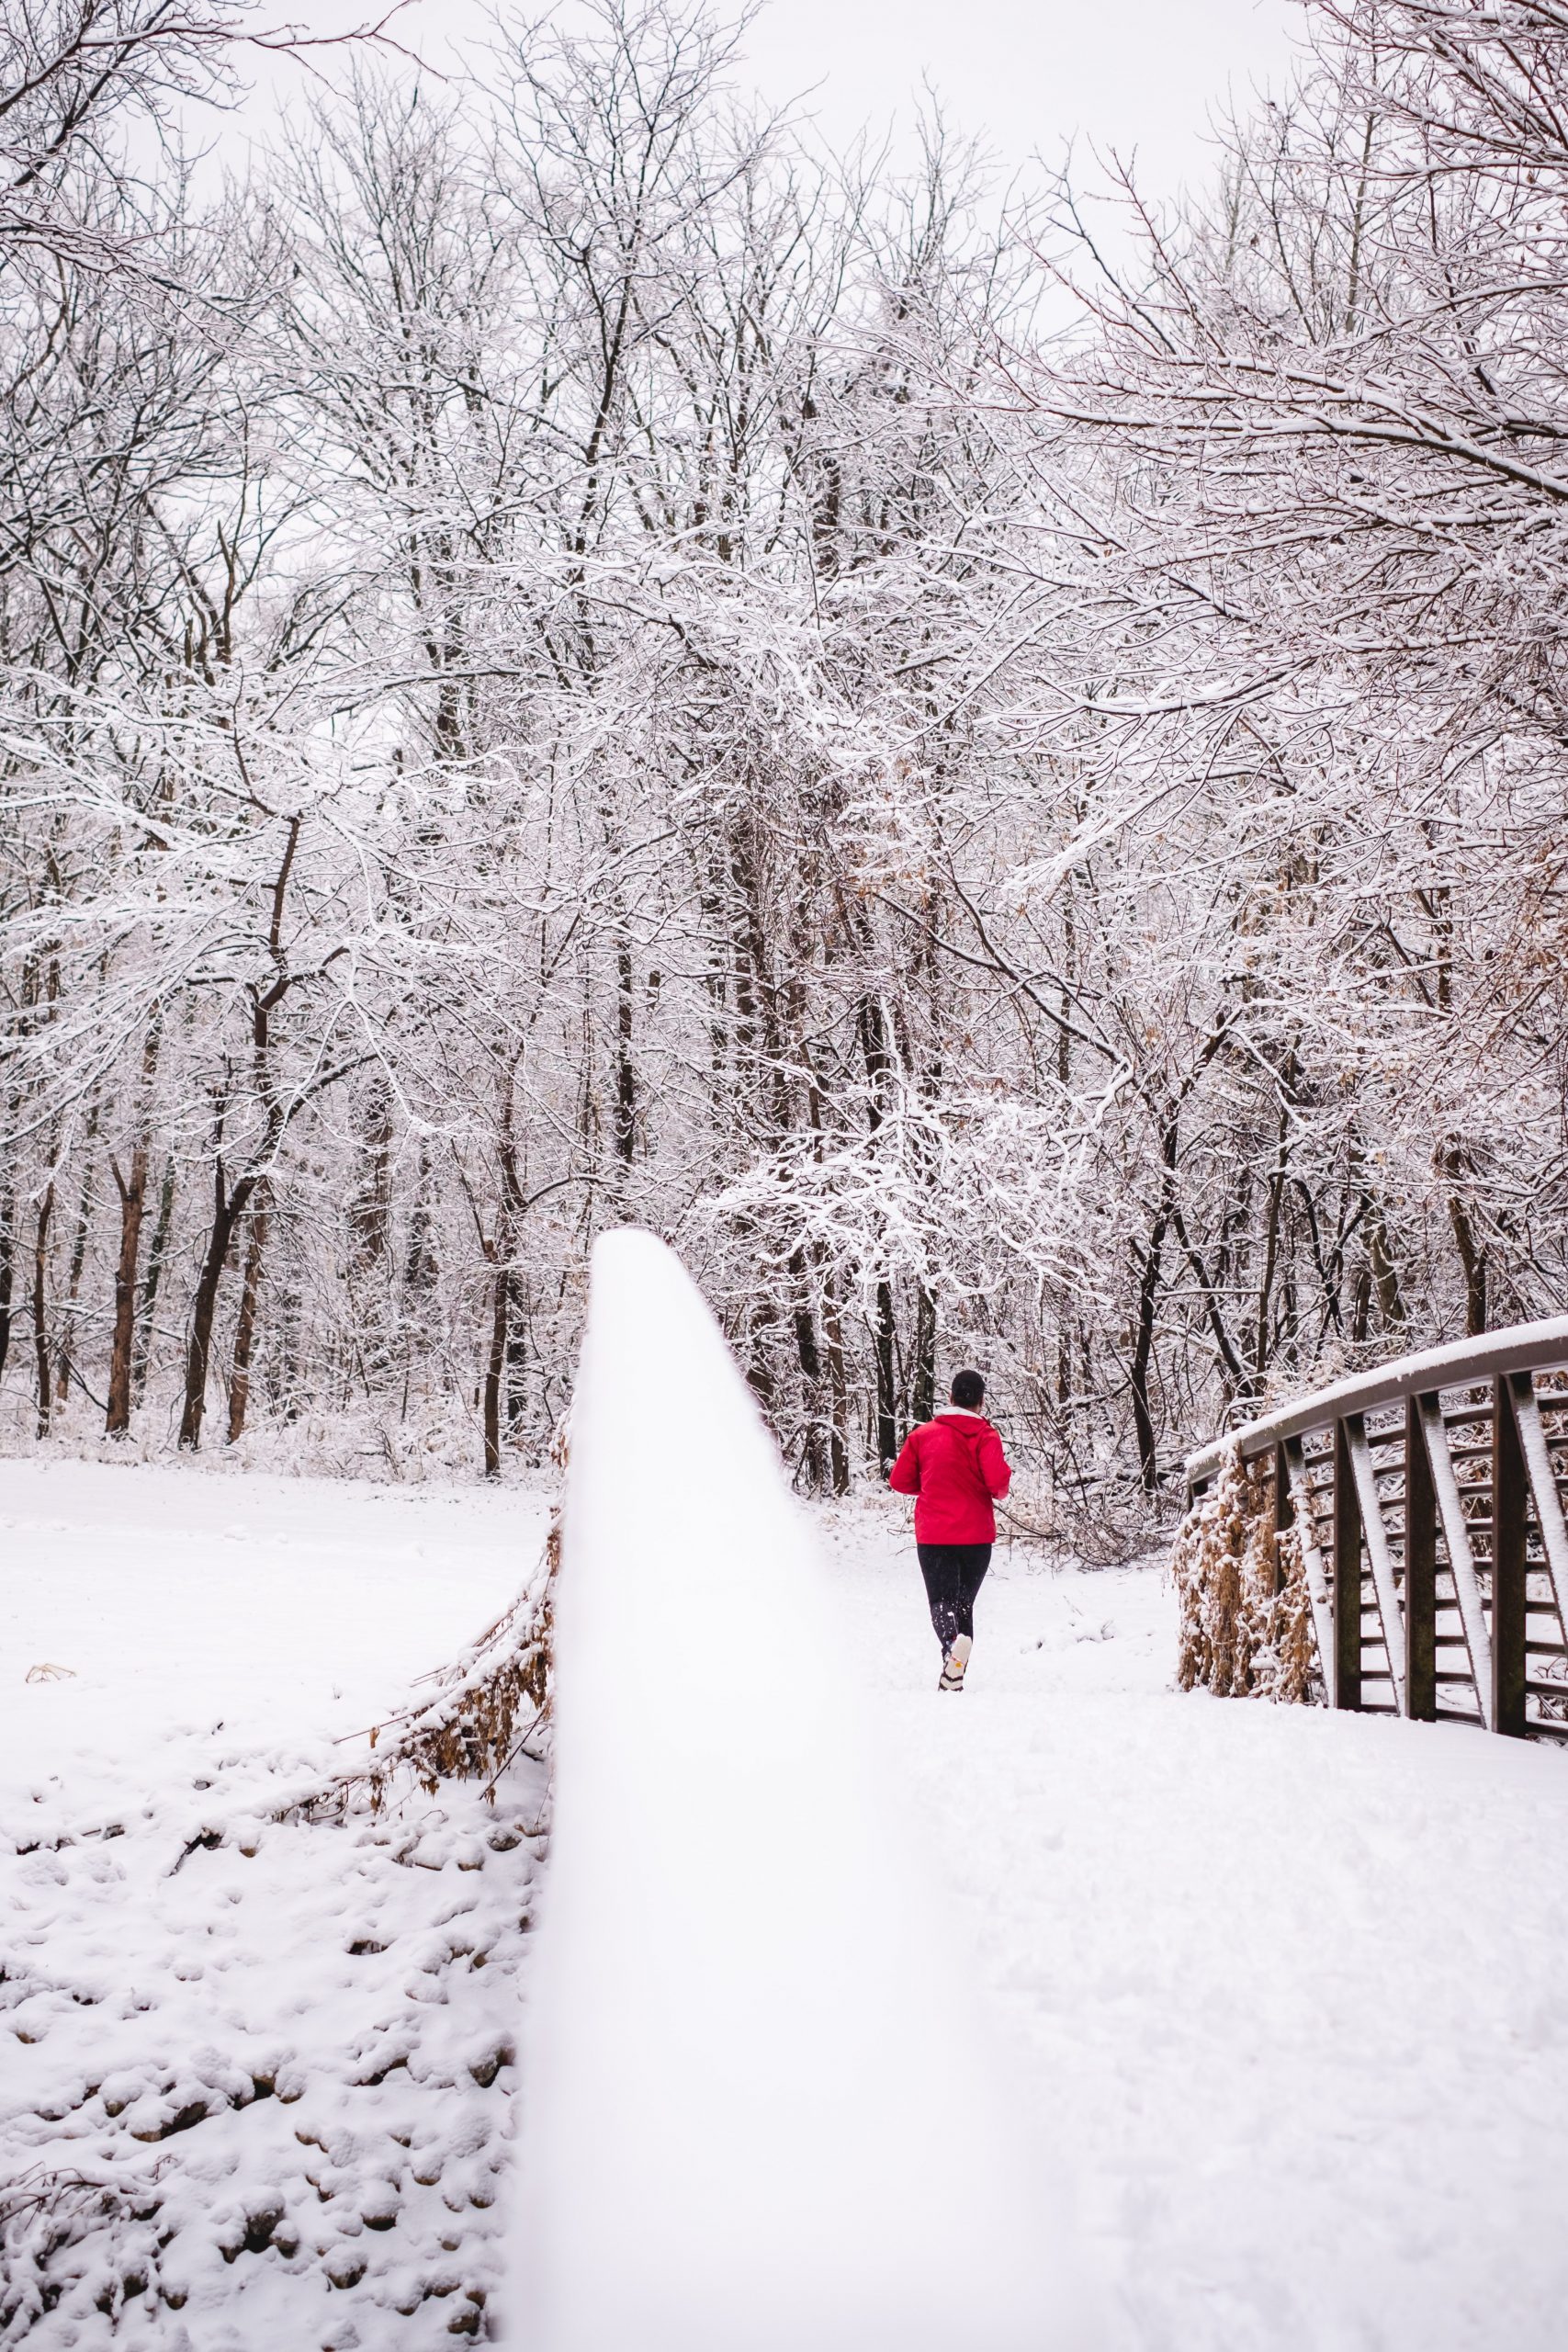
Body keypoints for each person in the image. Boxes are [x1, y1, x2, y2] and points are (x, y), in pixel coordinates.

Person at [887, 1370, 1011, 1691]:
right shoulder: (987, 1436)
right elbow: (998, 1485)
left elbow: (899, 1480)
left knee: (943, 1601)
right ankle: (954, 1672)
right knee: (963, 1603)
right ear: (981, 1402)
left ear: (951, 1397)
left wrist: (931, 1486)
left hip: (934, 1534)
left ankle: (950, 1653)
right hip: (976, 1536)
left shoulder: (922, 1435)